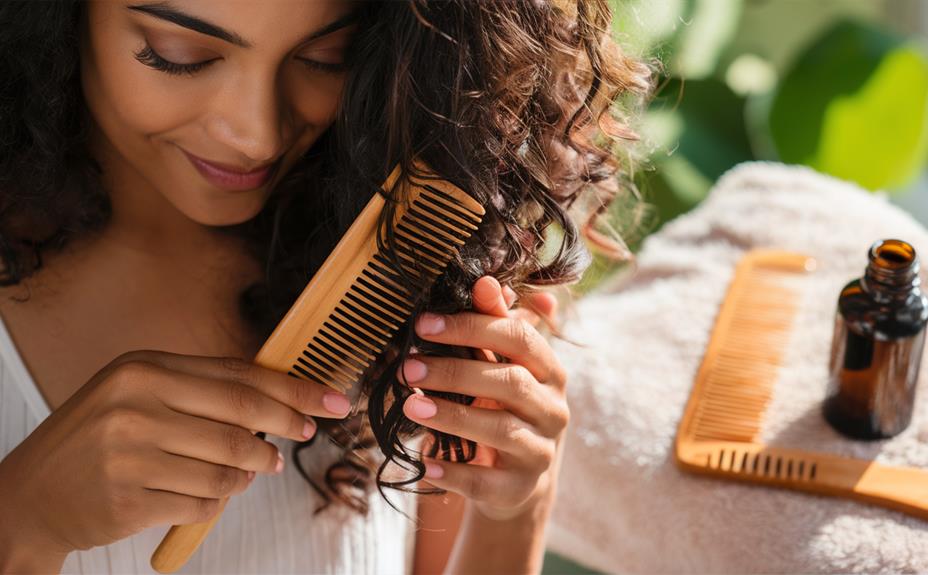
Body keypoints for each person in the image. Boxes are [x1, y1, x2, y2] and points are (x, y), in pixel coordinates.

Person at [0, 0, 651, 573]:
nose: (256, 133)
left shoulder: (411, 278)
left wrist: (516, 508)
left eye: (323, 56)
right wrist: (22, 524)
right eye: (181, 55)